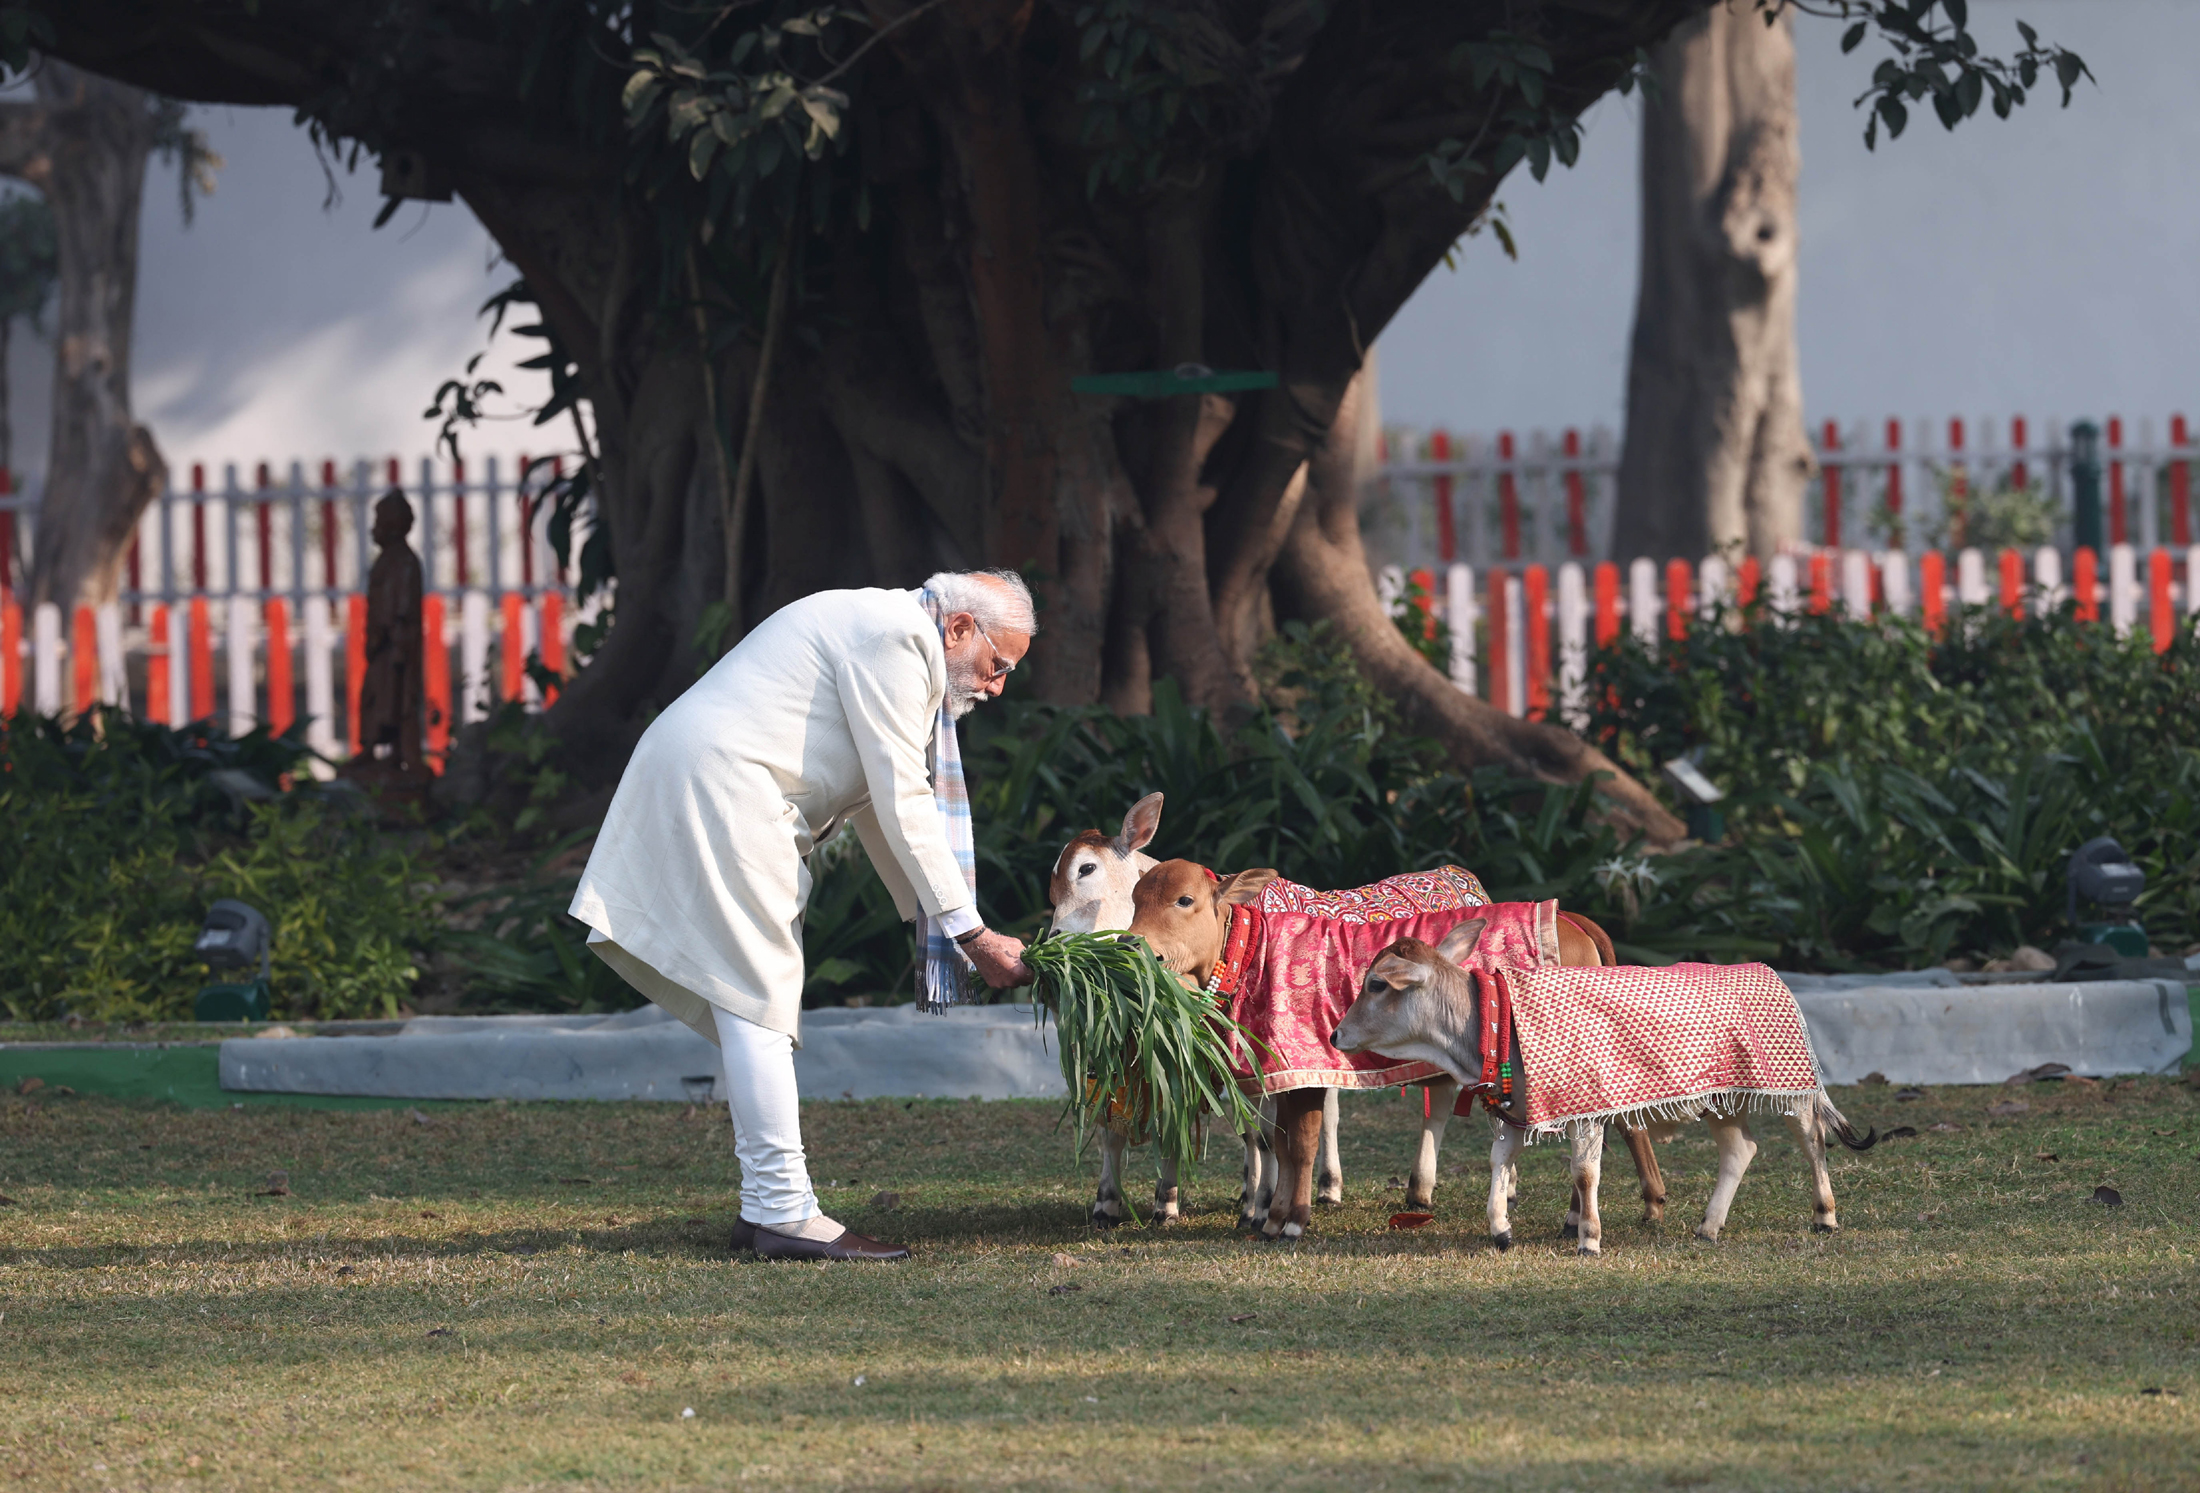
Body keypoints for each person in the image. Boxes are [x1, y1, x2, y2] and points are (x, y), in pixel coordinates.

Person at [570, 571, 1036, 1261]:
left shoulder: (893, 630)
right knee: (758, 997)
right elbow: (905, 800)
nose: (998, 687)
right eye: (999, 666)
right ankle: (782, 1211)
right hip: (726, 787)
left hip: (716, 780)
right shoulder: (900, 638)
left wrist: (941, 925)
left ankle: (769, 1207)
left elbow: (883, 803)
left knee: (751, 998)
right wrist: (970, 932)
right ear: (961, 627)